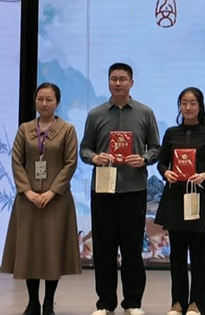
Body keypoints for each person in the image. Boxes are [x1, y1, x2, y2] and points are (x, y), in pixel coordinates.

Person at [80, 63, 161, 315]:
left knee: (132, 248)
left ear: (131, 83)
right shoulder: (96, 115)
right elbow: (84, 149)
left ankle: (133, 303)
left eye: (122, 79)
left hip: (133, 188)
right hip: (103, 189)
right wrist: (95, 157)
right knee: (104, 248)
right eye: (113, 78)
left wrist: (144, 159)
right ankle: (105, 303)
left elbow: (156, 148)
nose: (118, 83)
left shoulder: (145, 113)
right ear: (108, 82)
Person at [1, 82, 81, 315]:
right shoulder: (25, 129)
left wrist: (51, 192)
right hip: (28, 201)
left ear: (57, 102)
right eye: (40, 99)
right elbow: (17, 162)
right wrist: (28, 192)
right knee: (30, 251)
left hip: (57, 201)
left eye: (49, 99)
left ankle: (48, 302)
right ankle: (32, 302)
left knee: (52, 251)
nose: (44, 104)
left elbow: (70, 163)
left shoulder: (67, 130)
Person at [154, 87, 205, 315]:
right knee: (177, 255)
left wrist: (204, 175)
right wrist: (166, 172)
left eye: (193, 103)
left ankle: (197, 304)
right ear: (179, 106)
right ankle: (178, 302)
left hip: (197, 197)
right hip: (175, 197)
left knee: (199, 254)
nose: (188, 107)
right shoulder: (171, 132)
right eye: (184, 103)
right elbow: (162, 163)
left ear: (200, 106)